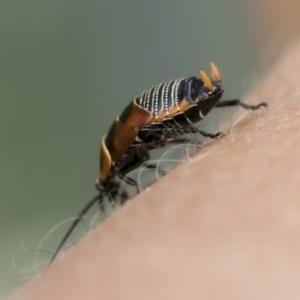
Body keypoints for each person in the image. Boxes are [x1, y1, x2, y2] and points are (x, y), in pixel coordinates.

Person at [11, 41, 300, 300]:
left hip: (159, 111)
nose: (115, 187)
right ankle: (231, 105)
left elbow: (144, 148)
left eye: (109, 185)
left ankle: (225, 106)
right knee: (159, 134)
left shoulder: (116, 158)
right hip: (159, 111)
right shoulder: (116, 155)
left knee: (157, 134)